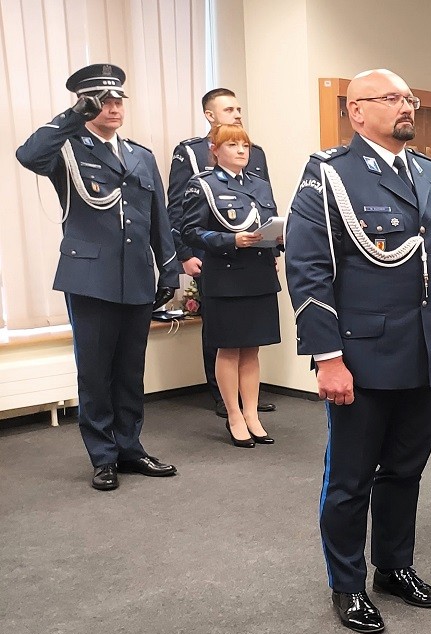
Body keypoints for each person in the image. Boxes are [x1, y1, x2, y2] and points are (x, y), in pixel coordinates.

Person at [285, 69, 431, 634]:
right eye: (392, 98)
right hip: (361, 356)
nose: (406, 106)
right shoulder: (330, 175)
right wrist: (327, 357)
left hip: (422, 351)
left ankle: (393, 566)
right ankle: (347, 584)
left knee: (406, 468)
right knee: (351, 478)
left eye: (409, 98)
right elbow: (308, 269)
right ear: (357, 111)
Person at [16, 64, 179, 492]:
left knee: (130, 371)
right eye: (102, 101)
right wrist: (72, 117)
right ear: (86, 104)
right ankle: (103, 456)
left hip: (136, 277)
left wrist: (169, 269)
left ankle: (130, 448)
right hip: (90, 277)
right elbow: (28, 155)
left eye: (118, 99)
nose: (113, 107)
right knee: (94, 372)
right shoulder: (67, 149)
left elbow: (158, 217)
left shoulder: (141, 155)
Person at [168, 88, 274, 419]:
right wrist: (184, 254)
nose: (237, 114)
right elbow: (178, 209)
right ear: (210, 115)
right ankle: (221, 397)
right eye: (229, 109)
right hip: (214, 256)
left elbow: (263, 208)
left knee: (251, 337)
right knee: (221, 332)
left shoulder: (255, 152)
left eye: (239, 109)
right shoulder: (192, 152)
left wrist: (272, 248)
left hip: (253, 260)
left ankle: (247, 399)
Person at [180, 124, 283, 447]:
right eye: (232, 145)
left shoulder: (259, 185)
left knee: (252, 348)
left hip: (258, 273)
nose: (241, 151)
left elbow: (269, 223)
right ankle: (234, 415)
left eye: (244, 145)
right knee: (229, 348)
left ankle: (252, 414)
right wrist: (230, 240)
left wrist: (277, 242)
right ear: (215, 150)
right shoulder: (204, 185)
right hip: (226, 276)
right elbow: (190, 231)